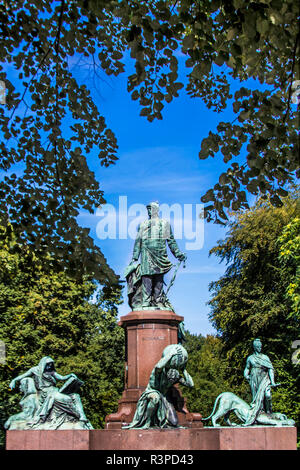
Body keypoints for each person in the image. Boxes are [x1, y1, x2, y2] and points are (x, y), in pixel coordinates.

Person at [129, 202, 186, 309]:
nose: (149, 211)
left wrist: (178, 254)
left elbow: (171, 241)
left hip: (160, 254)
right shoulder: (143, 224)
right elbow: (138, 241)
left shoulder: (164, 224)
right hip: (146, 253)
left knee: (158, 278)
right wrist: (135, 256)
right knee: (146, 276)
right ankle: (145, 301)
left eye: (151, 209)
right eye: (148, 209)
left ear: (156, 209)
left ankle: (158, 300)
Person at [8, 356, 92, 429]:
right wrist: (14, 380)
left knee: (75, 396)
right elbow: (23, 375)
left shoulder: (51, 372)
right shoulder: (35, 370)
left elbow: (61, 377)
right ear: (43, 364)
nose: (49, 366)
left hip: (54, 390)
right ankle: (76, 415)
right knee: (62, 398)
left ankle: (82, 417)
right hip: (45, 394)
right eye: (48, 364)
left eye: (51, 365)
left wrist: (70, 375)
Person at [124, 344, 194, 429]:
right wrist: (170, 354)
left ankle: (160, 420)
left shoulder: (174, 374)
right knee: (155, 398)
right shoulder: (159, 370)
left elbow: (191, 384)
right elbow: (158, 366)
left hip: (164, 397)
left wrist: (183, 369)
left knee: (174, 422)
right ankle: (148, 422)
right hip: (151, 392)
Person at [243, 338, 280, 425]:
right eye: (258, 347)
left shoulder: (265, 357)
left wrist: (273, 381)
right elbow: (247, 368)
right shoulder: (250, 358)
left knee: (267, 395)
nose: (260, 348)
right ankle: (258, 414)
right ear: (255, 347)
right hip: (254, 379)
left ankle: (268, 412)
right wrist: (246, 375)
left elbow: (270, 369)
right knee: (256, 398)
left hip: (264, 379)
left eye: (260, 346)